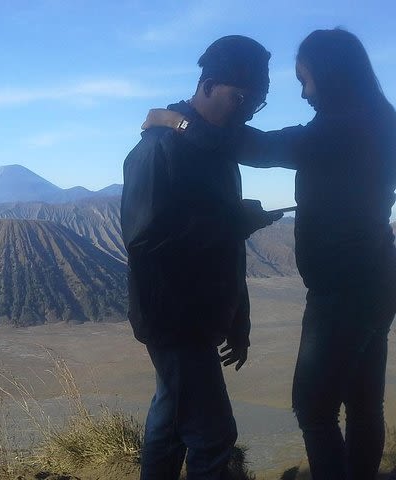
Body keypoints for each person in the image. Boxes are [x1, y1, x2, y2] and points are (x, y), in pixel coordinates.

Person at [142, 28, 396, 480]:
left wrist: (175, 120)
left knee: (313, 408)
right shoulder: (380, 118)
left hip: (341, 290)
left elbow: (255, 147)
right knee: (363, 402)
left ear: (331, 76)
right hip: (378, 279)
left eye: (306, 80)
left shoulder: (340, 127)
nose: (303, 93)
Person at [120, 35, 280, 480]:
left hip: (195, 316)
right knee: (212, 438)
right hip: (173, 317)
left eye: (259, 102)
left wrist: (236, 317)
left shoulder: (213, 148)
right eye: (241, 97)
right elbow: (145, 241)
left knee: (169, 425)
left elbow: (223, 248)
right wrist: (235, 222)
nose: (248, 109)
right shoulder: (159, 150)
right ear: (208, 85)